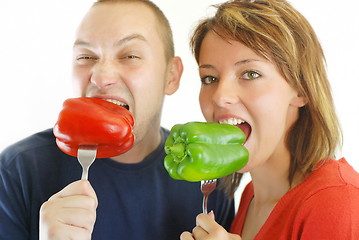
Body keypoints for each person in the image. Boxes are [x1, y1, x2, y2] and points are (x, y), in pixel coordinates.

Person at [0, 0, 235, 239]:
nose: (101, 77)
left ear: (171, 77)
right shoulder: (16, 171)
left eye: (130, 55)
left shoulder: (208, 178)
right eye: (85, 57)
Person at [180, 0, 359, 239]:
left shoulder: (338, 200)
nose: (221, 97)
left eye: (250, 74)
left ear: (301, 90)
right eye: (210, 78)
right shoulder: (251, 196)